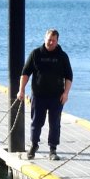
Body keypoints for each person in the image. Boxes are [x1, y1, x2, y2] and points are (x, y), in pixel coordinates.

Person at [17, 28, 73, 161]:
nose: (51, 42)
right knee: (36, 122)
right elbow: (25, 73)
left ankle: (52, 149)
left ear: (57, 41)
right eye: (49, 40)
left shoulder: (62, 56)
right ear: (44, 39)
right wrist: (21, 90)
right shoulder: (36, 54)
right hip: (38, 96)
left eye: (54, 40)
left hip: (56, 97)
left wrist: (66, 93)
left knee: (55, 123)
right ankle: (34, 145)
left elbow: (69, 76)